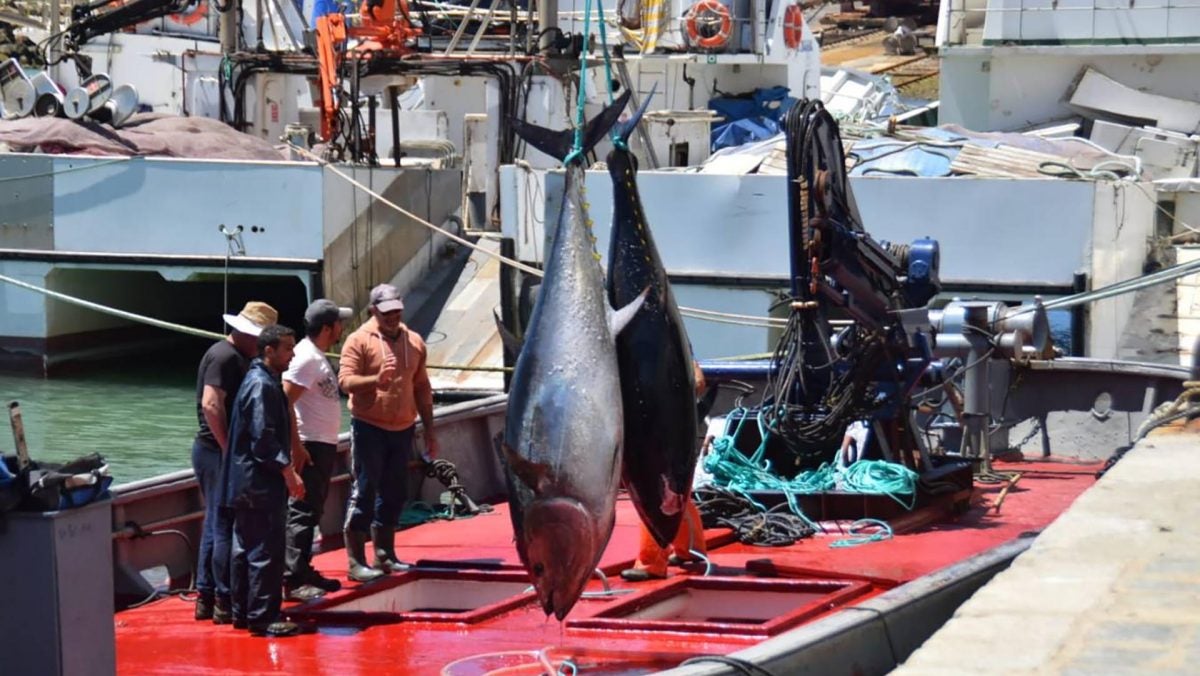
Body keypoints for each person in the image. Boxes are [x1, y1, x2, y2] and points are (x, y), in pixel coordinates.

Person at [338, 283, 439, 582]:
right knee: (364, 490)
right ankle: (356, 560)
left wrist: (430, 430)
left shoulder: (415, 341)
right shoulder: (358, 341)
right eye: (386, 313)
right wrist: (375, 381)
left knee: (395, 492)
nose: (392, 317)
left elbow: (422, 387)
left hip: (403, 428)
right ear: (373, 311)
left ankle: (385, 553)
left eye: (396, 311)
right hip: (369, 426)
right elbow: (345, 381)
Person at [192, 301, 278, 623]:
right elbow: (211, 404)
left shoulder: (239, 356)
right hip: (216, 451)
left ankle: (207, 594)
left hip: (220, 450)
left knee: (216, 523)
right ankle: (220, 597)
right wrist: (228, 448)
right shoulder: (224, 356)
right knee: (222, 525)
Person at [220, 324, 305, 637]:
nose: (292, 354)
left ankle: (243, 612)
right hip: (258, 484)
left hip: (243, 482)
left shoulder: (258, 380)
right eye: (287, 348)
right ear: (269, 350)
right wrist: (288, 471)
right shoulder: (262, 385)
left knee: (244, 549)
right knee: (265, 551)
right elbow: (263, 439)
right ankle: (263, 616)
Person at [282, 299, 353, 601]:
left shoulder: (316, 356)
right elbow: (285, 400)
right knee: (302, 511)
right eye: (339, 322)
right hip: (309, 445)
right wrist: (296, 446)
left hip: (321, 443)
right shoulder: (306, 358)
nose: (342, 327)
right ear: (328, 328)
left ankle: (303, 568)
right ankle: (293, 579)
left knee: (313, 510)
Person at [621, 362, 710, 582]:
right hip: (670, 428)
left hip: (656, 430)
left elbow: (697, 382)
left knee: (653, 491)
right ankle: (690, 547)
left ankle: (651, 562)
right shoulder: (671, 351)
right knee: (675, 491)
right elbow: (698, 382)